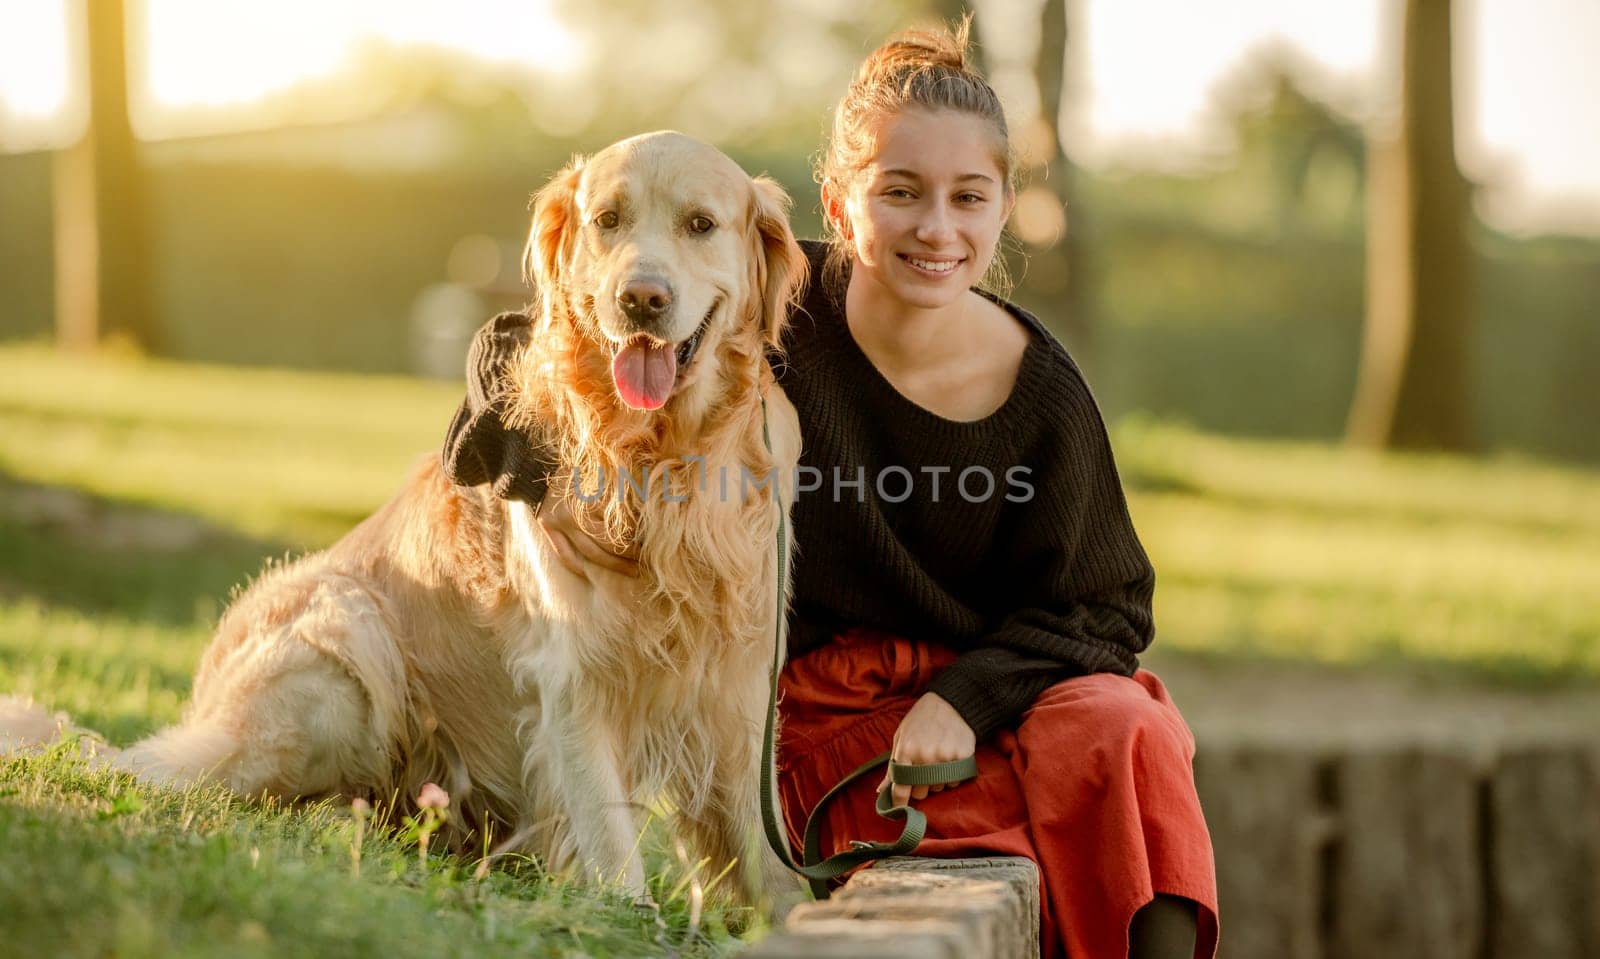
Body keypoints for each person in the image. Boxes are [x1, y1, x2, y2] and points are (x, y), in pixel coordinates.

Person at [442, 20, 1218, 959]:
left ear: (1003, 208)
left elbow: (1105, 610)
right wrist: (518, 432)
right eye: (900, 193)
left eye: (967, 197)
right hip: (821, 710)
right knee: (1031, 827)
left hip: (978, 701)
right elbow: (528, 332)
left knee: (1127, 728)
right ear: (840, 207)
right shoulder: (773, 300)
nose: (935, 228)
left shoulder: (1044, 397)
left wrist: (964, 700)